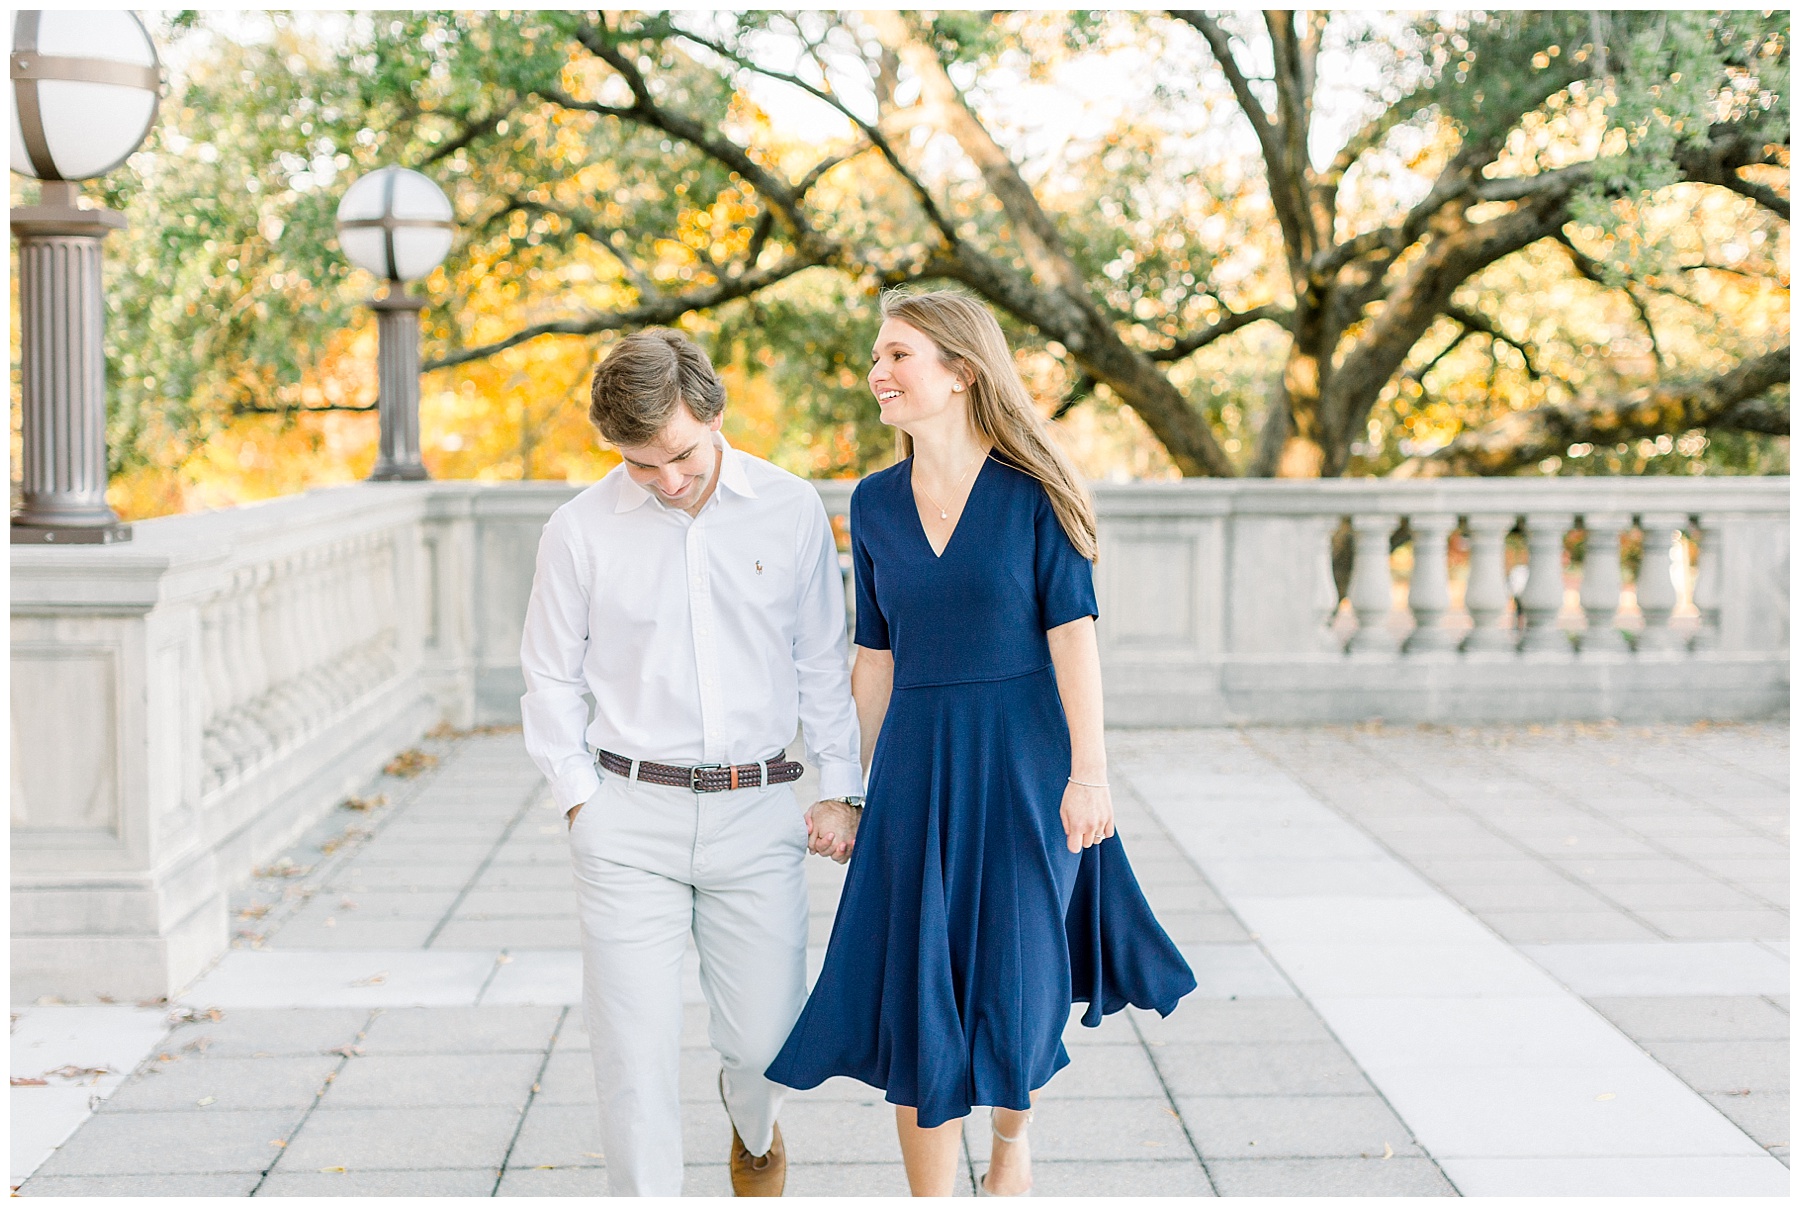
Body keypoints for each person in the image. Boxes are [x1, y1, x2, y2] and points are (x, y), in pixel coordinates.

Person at [766, 291, 1197, 1196]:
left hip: (1026, 767)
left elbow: (1072, 635)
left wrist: (1091, 776)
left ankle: (1011, 1133)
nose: (877, 373)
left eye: (897, 355)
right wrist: (847, 789)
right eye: (877, 357)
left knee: (1018, 977)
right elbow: (873, 657)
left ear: (961, 370)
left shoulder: (1035, 492)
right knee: (915, 984)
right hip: (918, 766)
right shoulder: (874, 502)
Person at [519, 328, 866, 1197]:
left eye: (678, 454)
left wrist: (844, 788)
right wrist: (580, 804)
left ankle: (754, 1123)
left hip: (759, 808)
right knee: (632, 1055)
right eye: (641, 465)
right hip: (627, 816)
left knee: (766, 1045)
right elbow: (549, 677)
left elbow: (825, 661)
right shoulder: (578, 530)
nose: (667, 481)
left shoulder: (789, 508)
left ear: (713, 414)